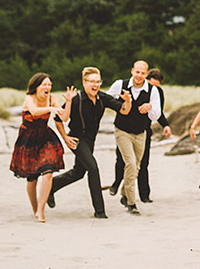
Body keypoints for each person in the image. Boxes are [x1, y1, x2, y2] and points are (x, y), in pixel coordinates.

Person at [49, 67, 131, 219]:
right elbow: (58, 119)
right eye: (92, 81)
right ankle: (100, 211)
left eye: (98, 81)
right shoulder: (76, 99)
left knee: (78, 173)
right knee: (93, 168)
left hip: (91, 140)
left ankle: (52, 186)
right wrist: (65, 137)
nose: (96, 85)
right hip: (77, 139)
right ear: (84, 82)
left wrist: (127, 101)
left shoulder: (102, 98)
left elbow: (124, 110)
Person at [106, 60, 164, 215]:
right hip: (122, 131)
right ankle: (131, 203)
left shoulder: (152, 90)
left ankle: (124, 194)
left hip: (141, 133)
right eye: (137, 72)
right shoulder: (120, 84)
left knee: (136, 167)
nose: (139, 75)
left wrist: (150, 107)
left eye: (143, 73)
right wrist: (120, 104)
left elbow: (156, 114)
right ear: (132, 71)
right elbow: (106, 100)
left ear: (146, 74)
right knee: (130, 163)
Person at [9, 73, 66, 223]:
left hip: (45, 137)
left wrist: (69, 102)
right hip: (28, 139)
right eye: (44, 84)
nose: (48, 87)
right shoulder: (29, 98)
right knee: (32, 179)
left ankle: (41, 210)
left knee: (48, 172)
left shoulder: (52, 99)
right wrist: (50, 109)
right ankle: (35, 209)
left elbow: (64, 117)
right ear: (36, 86)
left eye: (50, 84)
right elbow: (34, 111)